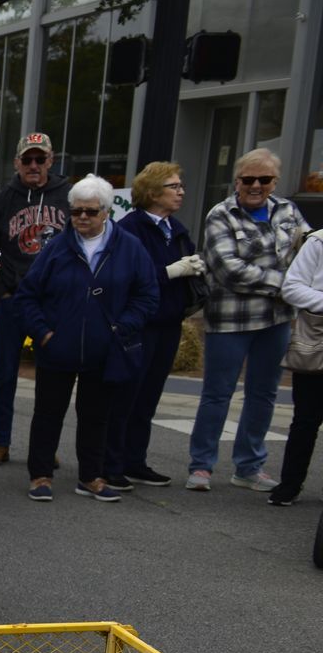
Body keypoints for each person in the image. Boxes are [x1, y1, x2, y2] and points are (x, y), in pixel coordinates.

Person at [14, 174, 158, 503]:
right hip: (57, 348)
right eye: (76, 211)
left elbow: (147, 295)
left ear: (106, 212)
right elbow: (27, 296)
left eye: (90, 212)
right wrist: (44, 333)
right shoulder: (55, 248)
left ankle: (91, 476)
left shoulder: (129, 248)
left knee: (96, 416)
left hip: (104, 348)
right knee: (48, 413)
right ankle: (40, 475)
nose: (81, 217)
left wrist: (122, 328)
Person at [190, 149, 311, 492]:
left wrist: (295, 284)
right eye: (248, 179)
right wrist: (287, 285)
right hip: (230, 320)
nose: (256, 185)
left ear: (275, 181)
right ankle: (201, 466)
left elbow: (308, 254)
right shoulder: (220, 215)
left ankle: (248, 466)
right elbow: (229, 270)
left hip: (277, 320)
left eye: (265, 179)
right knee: (217, 393)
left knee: (264, 393)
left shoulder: (288, 211)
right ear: (236, 181)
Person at [0, 131, 71, 466]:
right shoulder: (2, 199)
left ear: (51, 159)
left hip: (54, 302)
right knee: (4, 374)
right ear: (17, 162)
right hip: (14, 297)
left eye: (40, 159)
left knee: (52, 377)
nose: (34, 165)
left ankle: (45, 446)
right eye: (27, 159)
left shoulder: (68, 196)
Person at [109, 162, 205, 490]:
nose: (181, 192)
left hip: (169, 323)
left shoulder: (175, 228)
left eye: (180, 186)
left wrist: (194, 268)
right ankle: (113, 462)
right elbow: (129, 276)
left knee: (149, 395)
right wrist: (170, 271)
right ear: (152, 192)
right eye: (173, 186)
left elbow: (185, 263)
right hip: (140, 324)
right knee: (128, 394)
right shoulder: (130, 228)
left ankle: (136, 460)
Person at [271, 230, 323, 505]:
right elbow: (291, 288)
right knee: (306, 419)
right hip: (317, 342)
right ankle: (290, 484)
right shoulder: (319, 241)